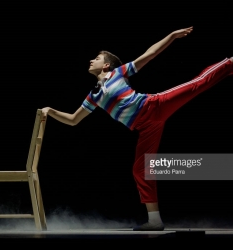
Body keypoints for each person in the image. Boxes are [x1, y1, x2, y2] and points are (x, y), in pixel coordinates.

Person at [42, 26, 233, 231]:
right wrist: (50, 110)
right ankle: (154, 220)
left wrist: (171, 36)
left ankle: (230, 62)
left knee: (196, 84)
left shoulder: (118, 72)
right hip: (145, 128)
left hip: (154, 105)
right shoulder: (94, 96)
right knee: (140, 170)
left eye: (96, 58)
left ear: (106, 65)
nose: (91, 60)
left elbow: (149, 55)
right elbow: (73, 120)